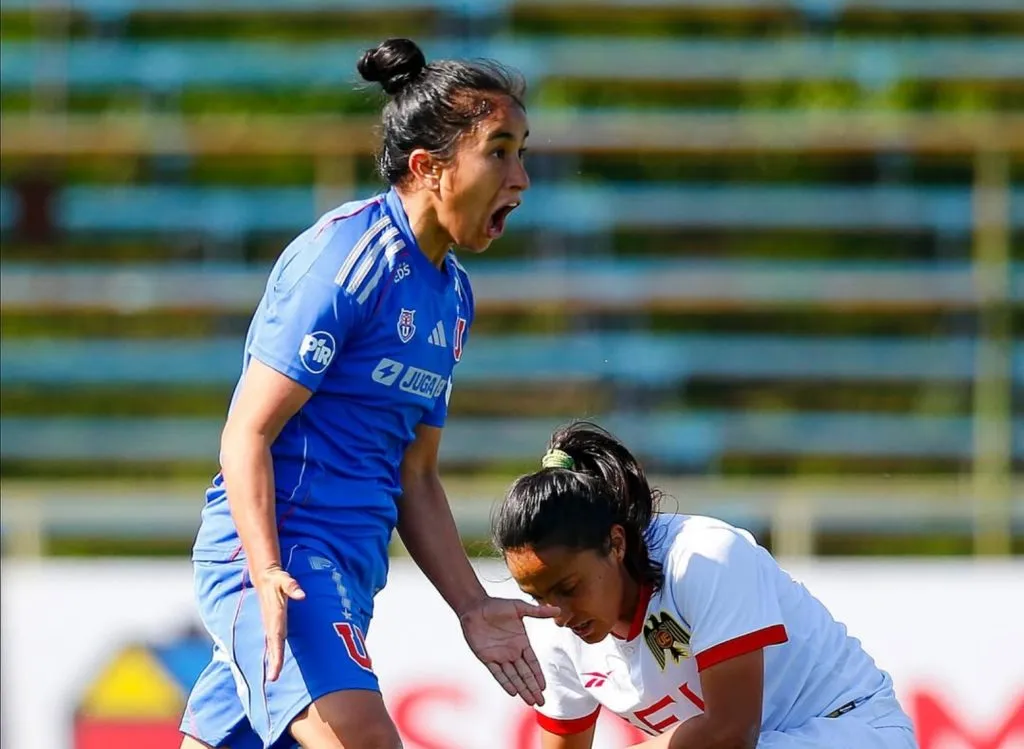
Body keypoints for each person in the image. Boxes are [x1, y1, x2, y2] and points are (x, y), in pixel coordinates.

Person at [178, 37, 554, 749]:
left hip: (347, 574)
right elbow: (247, 432)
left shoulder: (453, 297)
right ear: (429, 169)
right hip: (284, 561)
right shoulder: (345, 259)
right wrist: (264, 572)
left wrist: (473, 607)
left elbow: (415, 472)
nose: (522, 177)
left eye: (523, 150)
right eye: (500, 150)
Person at [492, 421, 919, 749]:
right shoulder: (555, 629)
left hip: (851, 730)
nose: (558, 615)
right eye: (538, 597)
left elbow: (730, 733)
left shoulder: (704, 558)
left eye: (568, 587)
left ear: (616, 543)